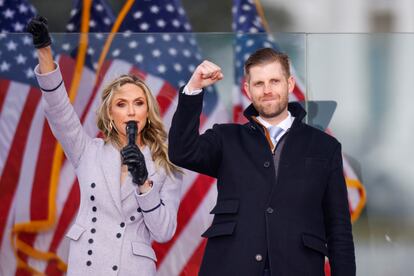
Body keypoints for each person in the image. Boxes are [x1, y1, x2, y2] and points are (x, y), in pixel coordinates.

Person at [168, 48, 356, 276]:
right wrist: (194, 89)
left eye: (274, 81)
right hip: (230, 267)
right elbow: (181, 152)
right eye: (259, 84)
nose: (267, 90)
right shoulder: (225, 138)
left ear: (290, 84)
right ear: (247, 89)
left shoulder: (325, 147)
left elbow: (339, 229)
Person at [27, 16, 182, 276]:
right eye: (121, 104)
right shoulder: (89, 151)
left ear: (148, 111)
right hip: (87, 266)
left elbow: (164, 232)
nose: (131, 111)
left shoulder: (167, 163)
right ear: (110, 113)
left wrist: (144, 184)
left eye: (139, 103)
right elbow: (59, 112)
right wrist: (44, 51)